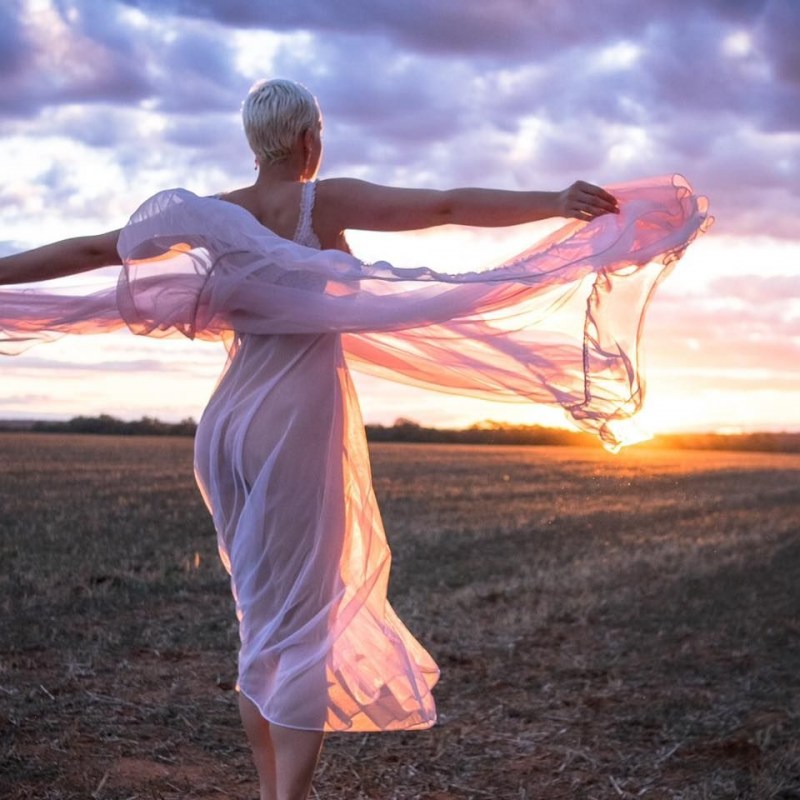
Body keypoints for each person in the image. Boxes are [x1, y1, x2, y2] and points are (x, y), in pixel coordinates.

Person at [0, 79, 711, 799]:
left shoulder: (214, 216)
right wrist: (553, 201)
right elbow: (444, 207)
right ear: (309, 137)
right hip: (294, 417)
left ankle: (271, 789)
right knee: (303, 625)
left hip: (227, 424)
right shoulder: (322, 201)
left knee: (261, 619)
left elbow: (94, 248)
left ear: (256, 141)